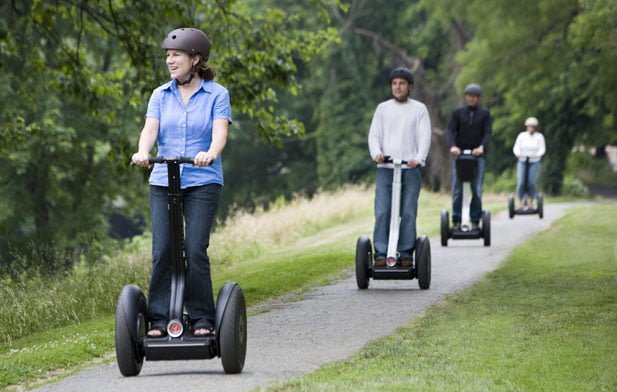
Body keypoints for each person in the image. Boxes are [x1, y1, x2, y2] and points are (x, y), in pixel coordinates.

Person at [131, 27, 232, 338]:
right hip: (163, 181)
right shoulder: (160, 95)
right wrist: (143, 152)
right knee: (163, 250)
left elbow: (219, 134)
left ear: (195, 59)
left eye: (176, 55)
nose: (170, 61)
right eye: (168, 56)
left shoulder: (217, 94)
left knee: (194, 249)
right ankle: (159, 320)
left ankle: (202, 317)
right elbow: (150, 129)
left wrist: (210, 153)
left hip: (203, 181)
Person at [368, 67, 431, 267]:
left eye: (402, 83)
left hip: (410, 169)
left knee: (409, 212)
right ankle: (380, 253)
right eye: (394, 83)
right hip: (386, 168)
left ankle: (404, 254)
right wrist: (376, 153)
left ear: (410, 86)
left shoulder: (419, 109)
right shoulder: (382, 108)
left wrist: (419, 158)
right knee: (383, 211)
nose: (398, 87)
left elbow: (424, 136)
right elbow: (374, 135)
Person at [447, 83, 492, 229]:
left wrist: (481, 147)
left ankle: (475, 219)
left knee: (476, 188)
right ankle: (456, 218)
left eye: (474, 96)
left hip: (477, 156)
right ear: (466, 97)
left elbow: (487, 133)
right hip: (459, 155)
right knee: (457, 188)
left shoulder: (484, 114)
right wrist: (453, 146)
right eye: (469, 96)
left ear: (478, 98)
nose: (472, 99)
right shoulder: (458, 113)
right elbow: (450, 131)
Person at [513, 117, 545, 207]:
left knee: (531, 181)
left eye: (532, 126)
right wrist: (518, 154)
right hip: (522, 161)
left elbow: (542, 149)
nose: (531, 128)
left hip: (534, 161)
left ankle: (531, 200)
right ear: (526, 127)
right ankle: (520, 200)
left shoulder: (539, 136)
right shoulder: (522, 136)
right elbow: (516, 147)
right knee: (521, 181)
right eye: (529, 126)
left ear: (535, 127)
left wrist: (537, 155)